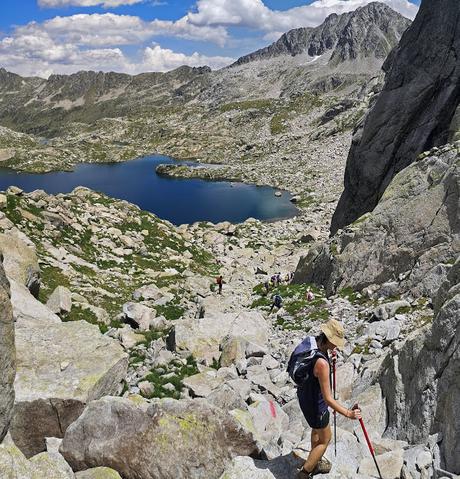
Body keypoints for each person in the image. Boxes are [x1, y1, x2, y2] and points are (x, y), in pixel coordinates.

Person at [296, 319, 362, 478]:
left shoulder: (312, 343)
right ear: (329, 339)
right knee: (325, 440)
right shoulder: (322, 364)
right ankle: (305, 473)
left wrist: (328, 357)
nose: (337, 347)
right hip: (316, 405)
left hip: (305, 396)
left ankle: (315, 459)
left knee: (316, 430)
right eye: (335, 343)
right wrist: (348, 414)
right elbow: (328, 400)